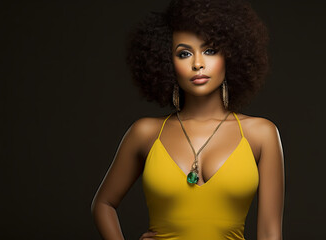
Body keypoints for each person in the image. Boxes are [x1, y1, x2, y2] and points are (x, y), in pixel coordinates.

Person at [91, 0, 285, 239]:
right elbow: (103, 204)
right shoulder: (145, 133)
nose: (198, 64)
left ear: (232, 55)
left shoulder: (261, 134)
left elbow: (270, 233)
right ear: (167, 62)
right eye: (184, 53)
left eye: (210, 50)